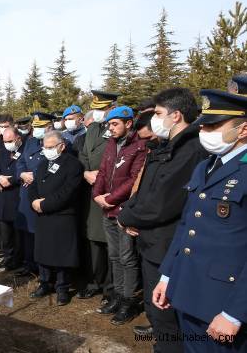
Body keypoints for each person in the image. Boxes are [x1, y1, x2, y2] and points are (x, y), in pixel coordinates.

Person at [153, 89, 247, 352]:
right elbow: (187, 226)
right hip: (189, 292)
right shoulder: (205, 166)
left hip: (225, 305)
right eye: (203, 125)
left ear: (243, 129)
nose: (205, 131)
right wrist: (168, 275)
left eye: (214, 125)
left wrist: (234, 313)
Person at [118, 87, 206, 352]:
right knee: (156, 311)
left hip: (166, 245)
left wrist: (127, 216)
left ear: (176, 115)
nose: (153, 119)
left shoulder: (190, 150)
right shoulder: (166, 146)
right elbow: (144, 189)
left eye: (157, 113)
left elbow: (162, 202)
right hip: (152, 243)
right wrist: (128, 214)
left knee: (166, 316)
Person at [91, 106, 147, 324]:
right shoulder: (111, 144)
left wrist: (111, 198)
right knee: (114, 256)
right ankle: (117, 294)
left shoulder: (139, 146)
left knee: (127, 257)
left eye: (114, 124)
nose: (110, 129)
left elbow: (134, 180)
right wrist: (97, 194)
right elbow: (103, 172)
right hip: (107, 208)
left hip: (124, 210)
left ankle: (129, 300)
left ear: (128, 123)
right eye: (109, 125)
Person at [29, 131, 83, 306]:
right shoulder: (43, 163)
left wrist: (44, 204)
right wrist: (34, 201)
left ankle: (62, 288)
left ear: (61, 146)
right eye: (45, 147)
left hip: (61, 215)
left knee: (61, 254)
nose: (47, 150)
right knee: (43, 251)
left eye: (51, 147)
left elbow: (68, 192)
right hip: (43, 216)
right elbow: (34, 185)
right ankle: (45, 283)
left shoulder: (73, 165)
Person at [77, 90, 119, 302]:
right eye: (97, 109)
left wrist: (100, 176)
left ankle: (110, 289)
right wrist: (85, 171)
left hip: (109, 191)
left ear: (112, 108)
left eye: (102, 109)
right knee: (94, 240)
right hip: (91, 189)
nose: (99, 113)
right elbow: (84, 154)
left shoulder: (118, 129)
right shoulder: (93, 128)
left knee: (110, 242)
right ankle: (96, 281)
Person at [14, 113, 50, 278]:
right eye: (35, 127)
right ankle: (29, 264)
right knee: (27, 232)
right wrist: (22, 174)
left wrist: (34, 175)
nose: (36, 130)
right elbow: (20, 162)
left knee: (40, 234)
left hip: (43, 193)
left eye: (40, 127)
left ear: (49, 126)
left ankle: (44, 269)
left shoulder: (56, 142)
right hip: (26, 192)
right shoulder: (30, 142)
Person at [0, 127, 25, 271]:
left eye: (10, 141)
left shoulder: (25, 151)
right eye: (5, 141)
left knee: (18, 234)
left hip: (17, 196)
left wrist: (10, 181)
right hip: (3, 199)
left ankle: (18, 261)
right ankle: (7, 258)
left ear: (18, 138)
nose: (7, 144)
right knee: (5, 234)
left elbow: (25, 172)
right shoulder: (3, 152)